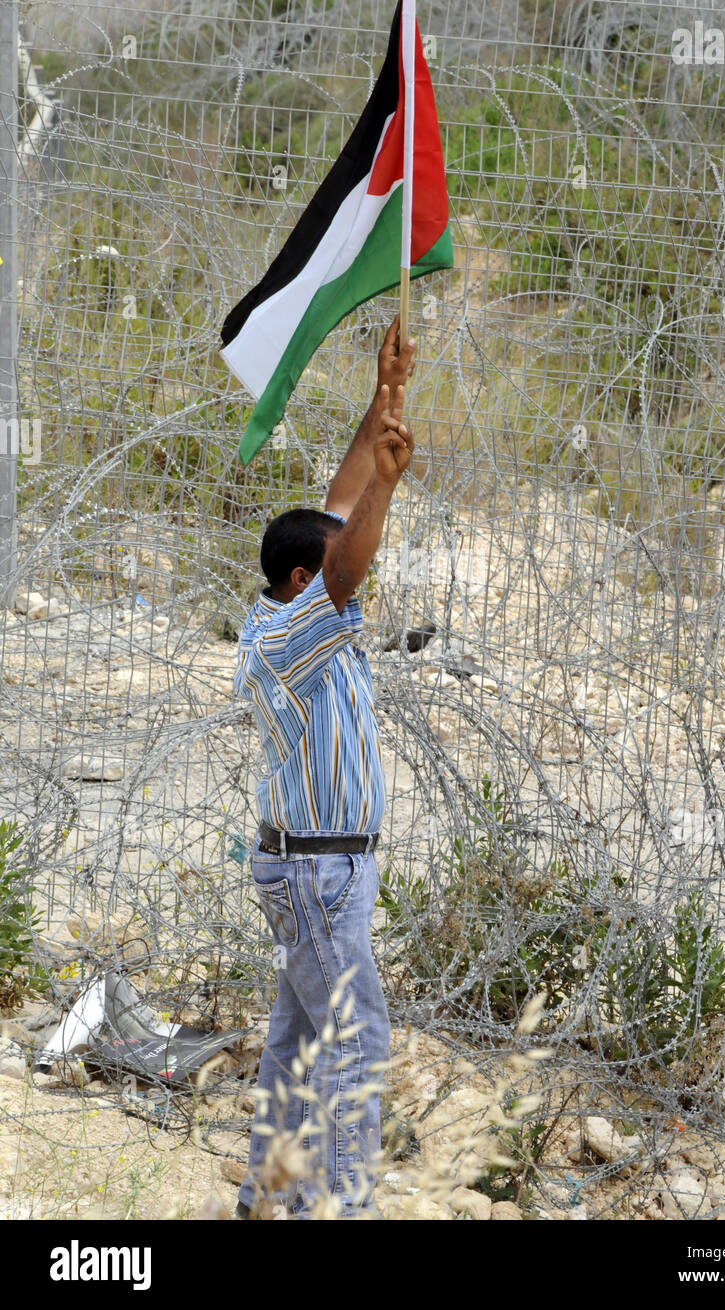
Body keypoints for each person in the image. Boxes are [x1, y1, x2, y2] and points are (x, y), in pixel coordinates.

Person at [232, 317, 416, 1219]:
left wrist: (384, 396)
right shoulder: (284, 636)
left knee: (297, 1037)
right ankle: (339, 1210)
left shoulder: (295, 602)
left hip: (323, 864)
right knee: (352, 1038)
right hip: (316, 869)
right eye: (335, 568)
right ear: (303, 579)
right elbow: (347, 563)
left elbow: (339, 512)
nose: (358, 575)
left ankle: (266, 1201)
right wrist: (386, 486)